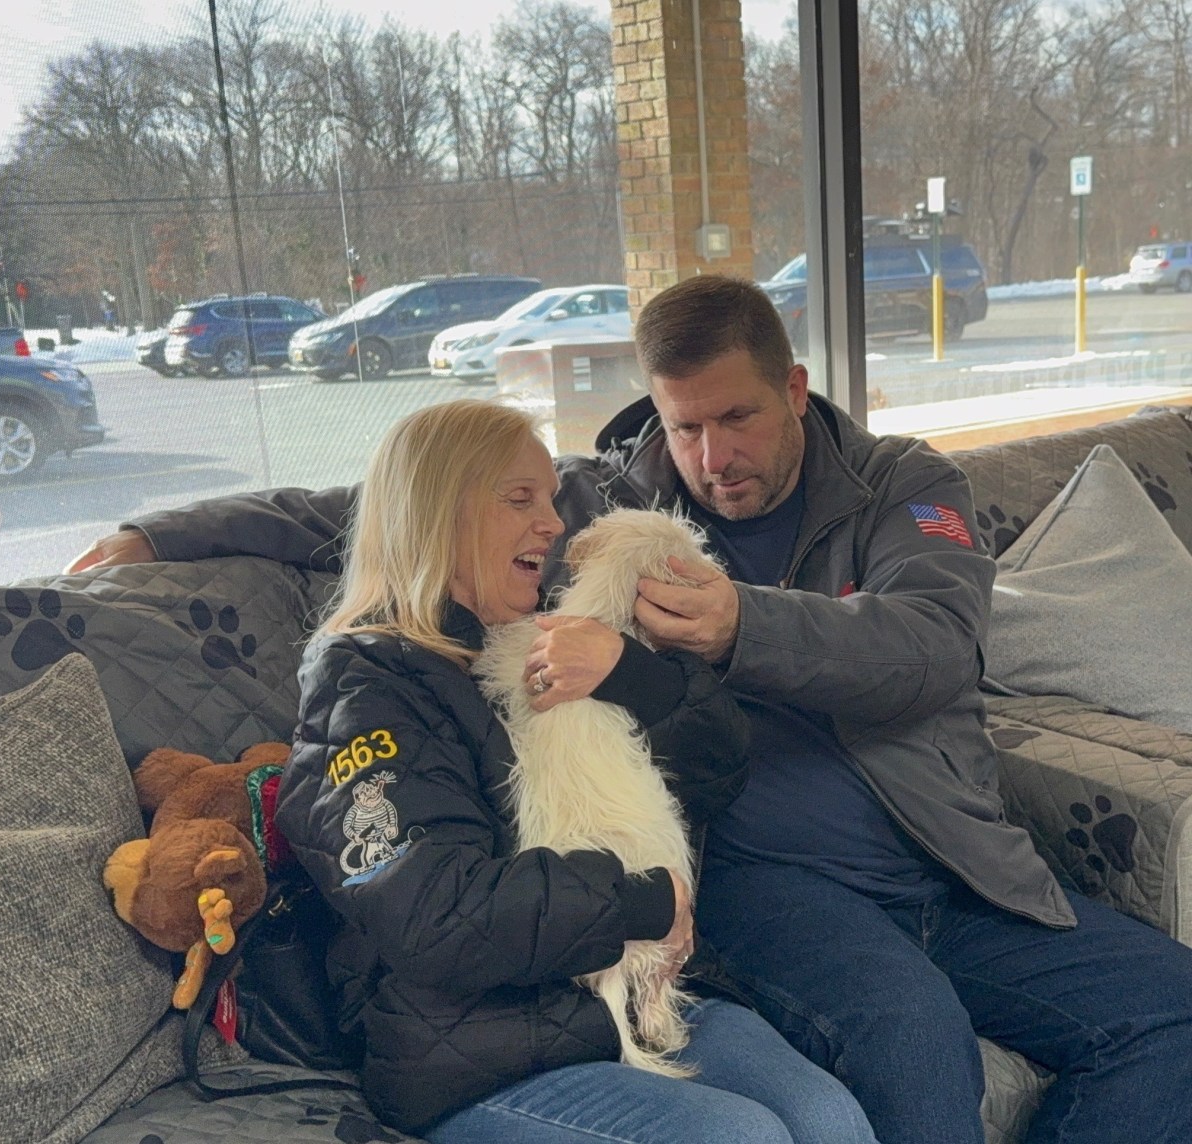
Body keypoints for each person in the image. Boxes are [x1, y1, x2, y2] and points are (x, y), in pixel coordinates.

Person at [69, 277, 1192, 1144]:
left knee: (1172, 1010)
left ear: (797, 390)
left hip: (947, 859)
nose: (712, 457)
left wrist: (737, 624)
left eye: (738, 418)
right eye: (683, 426)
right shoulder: (607, 499)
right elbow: (397, 499)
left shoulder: (903, 486)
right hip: (763, 881)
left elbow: (933, 649)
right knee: (912, 1036)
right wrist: (163, 530)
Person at [263, 398, 880, 1143]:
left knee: (829, 1117)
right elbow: (430, 912)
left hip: (632, 1002)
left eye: (550, 498)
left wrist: (629, 673)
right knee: (741, 1138)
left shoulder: (545, 634)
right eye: (520, 499)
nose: (554, 525)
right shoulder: (364, 683)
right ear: (437, 515)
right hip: (478, 1049)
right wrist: (644, 902)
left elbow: (718, 774)